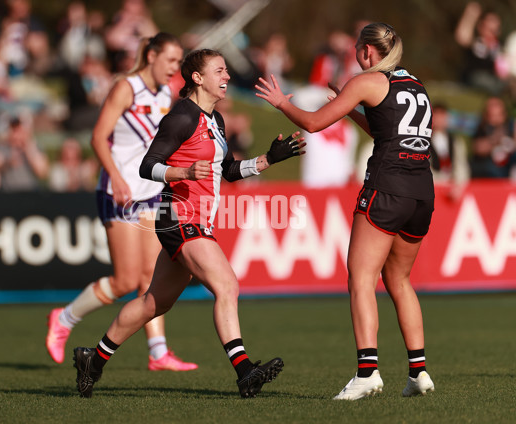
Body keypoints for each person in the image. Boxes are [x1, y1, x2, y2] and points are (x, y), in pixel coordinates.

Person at [72, 48, 304, 399]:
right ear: (197, 78)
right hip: (178, 215)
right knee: (226, 284)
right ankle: (244, 371)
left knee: (155, 303)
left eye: (226, 71)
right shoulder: (181, 117)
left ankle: (94, 359)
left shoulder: (217, 120)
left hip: (195, 220)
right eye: (220, 71)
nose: (227, 77)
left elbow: (228, 171)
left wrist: (269, 159)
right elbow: (147, 165)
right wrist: (181, 171)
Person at [256, 22, 436, 400]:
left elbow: (312, 123)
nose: (356, 52)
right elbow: (387, 131)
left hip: (387, 188)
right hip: (421, 191)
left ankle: (367, 371)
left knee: (360, 277)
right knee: (400, 281)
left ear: (368, 51)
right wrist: (353, 109)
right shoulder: (415, 83)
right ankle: (419, 373)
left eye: (358, 47)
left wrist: (281, 102)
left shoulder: (366, 80)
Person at [46, 33, 198, 372]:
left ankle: (158, 353)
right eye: (172, 61)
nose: (176, 68)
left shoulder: (164, 93)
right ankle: (64, 318)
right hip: (119, 191)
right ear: (153, 55)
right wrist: (114, 175)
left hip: (150, 191)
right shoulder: (126, 87)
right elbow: (98, 136)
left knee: (150, 275)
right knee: (126, 280)